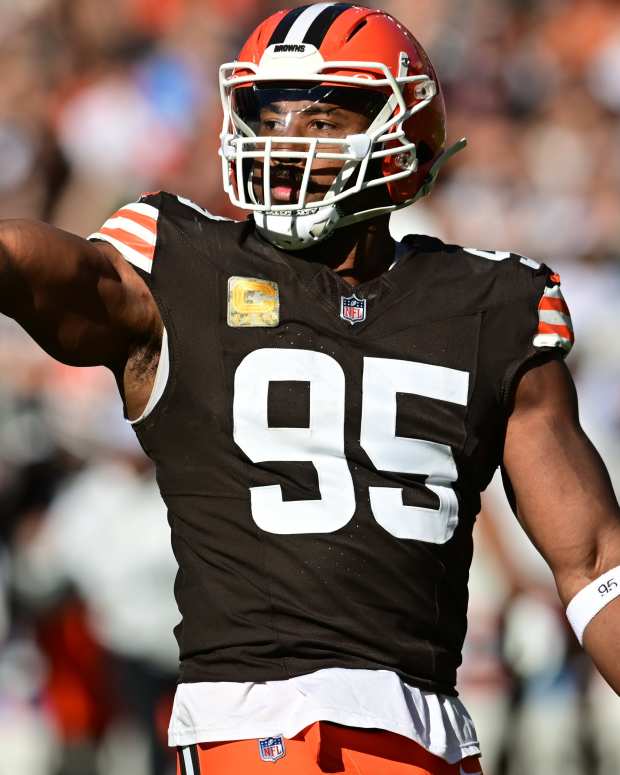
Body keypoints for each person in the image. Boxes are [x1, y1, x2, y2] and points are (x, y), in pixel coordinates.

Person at [0, 4, 618, 774]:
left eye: (319, 119)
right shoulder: (183, 266)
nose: (283, 140)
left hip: (429, 731)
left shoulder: (490, 304)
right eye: (267, 116)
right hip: (257, 719)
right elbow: (47, 269)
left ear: (405, 131)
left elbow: (594, 562)